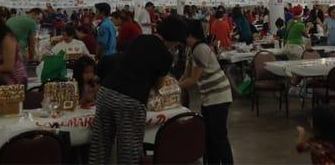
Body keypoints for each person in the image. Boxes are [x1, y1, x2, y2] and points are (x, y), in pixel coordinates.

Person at [89, 16, 187, 164]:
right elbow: (158, 86)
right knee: (128, 151)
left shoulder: (140, 39)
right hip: (130, 100)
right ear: (174, 38)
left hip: (106, 92)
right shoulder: (165, 55)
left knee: (100, 146)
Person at [179, 19, 233, 165]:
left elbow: (193, 79)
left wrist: (174, 88)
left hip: (219, 97)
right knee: (209, 136)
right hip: (209, 97)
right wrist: (175, 85)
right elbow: (186, 75)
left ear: (189, 34)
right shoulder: (191, 50)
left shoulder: (200, 49)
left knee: (219, 136)